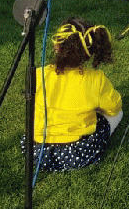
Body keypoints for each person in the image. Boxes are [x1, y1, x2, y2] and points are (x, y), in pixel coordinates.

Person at [30, 18, 122, 172]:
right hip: (76, 153)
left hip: (38, 151)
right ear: (88, 51)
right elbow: (114, 108)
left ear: (57, 47)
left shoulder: (38, 74)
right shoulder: (96, 79)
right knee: (118, 113)